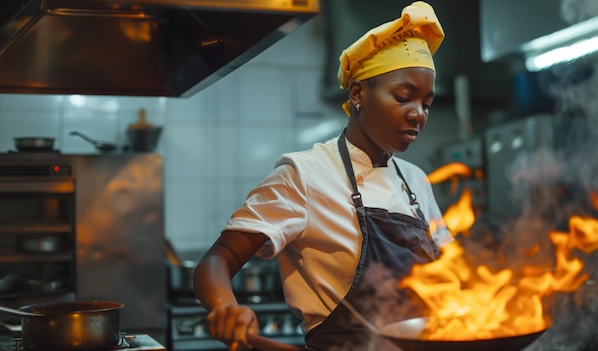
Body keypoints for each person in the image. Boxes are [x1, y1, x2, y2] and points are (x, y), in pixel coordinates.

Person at [193, 2, 454, 350]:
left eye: (426, 103)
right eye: (404, 97)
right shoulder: (305, 173)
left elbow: (453, 276)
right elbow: (217, 259)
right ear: (358, 94)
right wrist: (226, 306)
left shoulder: (415, 180)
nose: (418, 114)